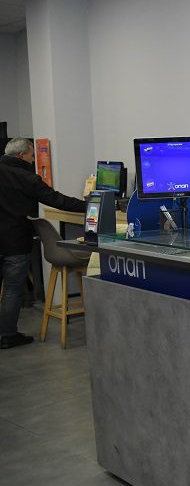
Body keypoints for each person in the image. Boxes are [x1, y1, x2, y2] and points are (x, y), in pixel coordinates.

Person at [0, 138, 87, 349]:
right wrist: (90, 206)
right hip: (15, 241)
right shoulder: (26, 178)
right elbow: (57, 200)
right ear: (21, 156)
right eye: (32, 156)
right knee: (12, 289)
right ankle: (7, 335)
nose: (33, 160)